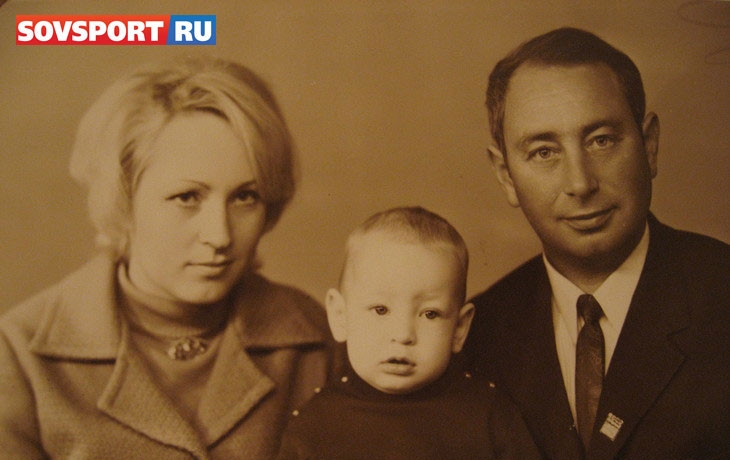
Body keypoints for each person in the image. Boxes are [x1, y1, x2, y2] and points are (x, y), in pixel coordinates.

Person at [0, 56, 336, 459]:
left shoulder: (315, 339)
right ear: (123, 198)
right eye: (187, 197)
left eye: (245, 197)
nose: (219, 236)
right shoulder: (19, 355)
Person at [463, 27, 730, 459]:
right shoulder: (475, 336)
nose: (580, 183)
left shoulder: (721, 292)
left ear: (649, 145)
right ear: (505, 174)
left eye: (601, 140)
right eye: (544, 152)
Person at [277, 206, 540, 459]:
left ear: (459, 329)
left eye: (430, 314)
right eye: (380, 310)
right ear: (340, 316)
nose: (403, 334)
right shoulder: (315, 424)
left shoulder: (489, 416)